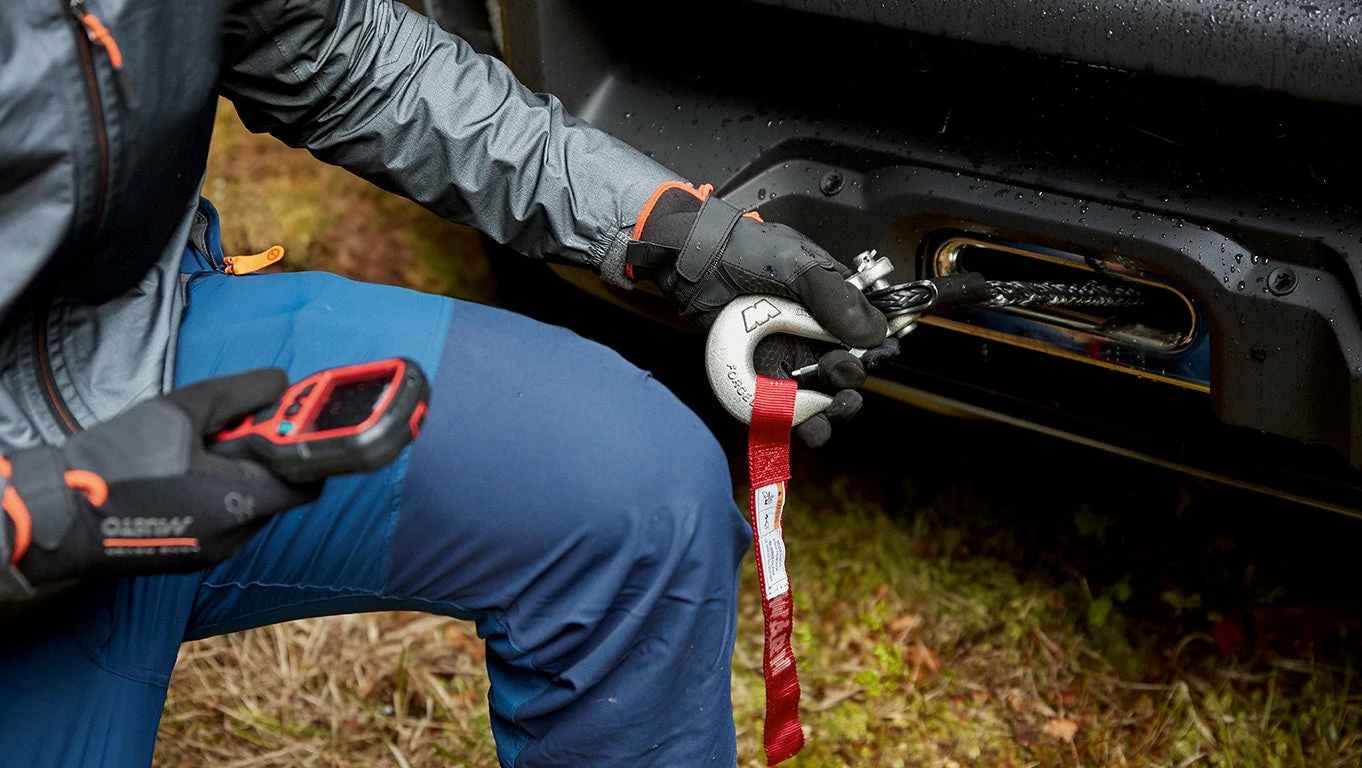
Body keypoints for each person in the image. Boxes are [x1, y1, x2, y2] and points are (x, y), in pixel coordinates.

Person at [0, 1, 887, 765]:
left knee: (637, 498)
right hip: (29, 507)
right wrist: (37, 515)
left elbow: (338, 51)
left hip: (124, 336)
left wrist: (671, 232)